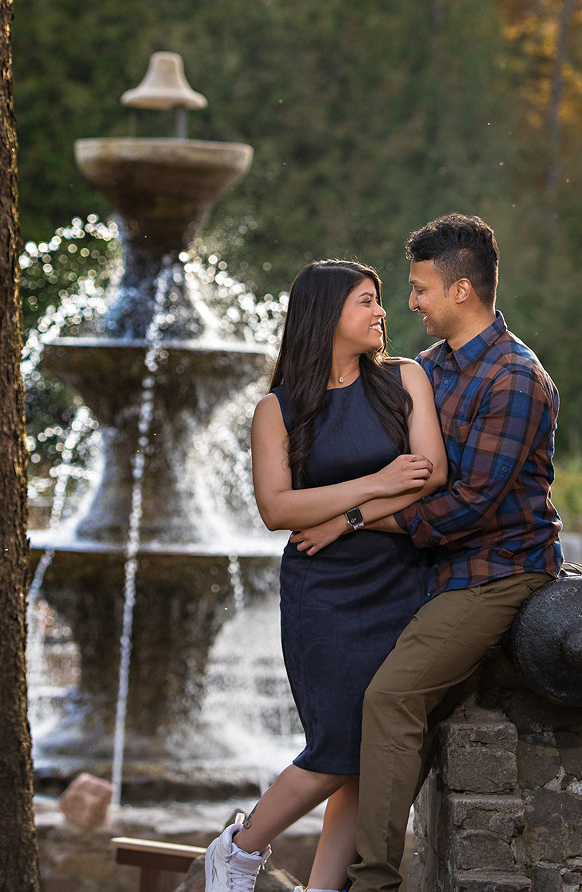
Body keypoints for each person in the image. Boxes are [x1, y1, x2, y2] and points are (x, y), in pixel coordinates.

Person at [293, 214, 564, 892]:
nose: (407, 303)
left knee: (388, 700)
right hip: (427, 569)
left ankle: (373, 881)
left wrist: (352, 518)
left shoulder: (514, 378)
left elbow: (469, 505)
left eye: (418, 289)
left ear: (462, 290)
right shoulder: (427, 370)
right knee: (362, 709)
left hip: (497, 572)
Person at [203, 260, 448, 892]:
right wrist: (379, 483)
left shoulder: (405, 378)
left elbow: (432, 475)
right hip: (325, 595)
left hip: (401, 583)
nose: (381, 312)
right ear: (326, 314)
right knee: (338, 741)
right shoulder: (278, 409)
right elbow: (278, 509)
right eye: (366, 301)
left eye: (380, 301)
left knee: (369, 756)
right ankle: (239, 850)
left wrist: (352, 514)